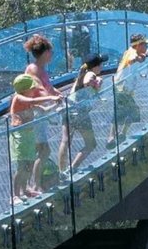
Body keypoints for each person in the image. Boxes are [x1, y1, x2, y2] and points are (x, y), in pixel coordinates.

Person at [9, 74, 63, 204]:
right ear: (24, 89)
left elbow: (44, 109)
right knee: (21, 166)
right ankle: (15, 195)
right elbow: (31, 101)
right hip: (20, 137)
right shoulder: (19, 98)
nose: (34, 90)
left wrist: (55, 104)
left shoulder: (28, 103)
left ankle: (25, 190)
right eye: (32, 88)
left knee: (29, 164)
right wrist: (51, 97)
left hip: (29, 136)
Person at [23, 34, 63, 192]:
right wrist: (52, 98)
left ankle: (29, 186)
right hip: (34, 113)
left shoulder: (41, 69)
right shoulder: (33, 69)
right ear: (45, 53)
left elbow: (48, 87)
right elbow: (39, 89)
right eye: (50, 52)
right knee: (43, 151)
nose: (52, 55)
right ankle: (35, 185)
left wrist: (58, 94)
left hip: (41, 112)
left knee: (38, 151)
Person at [58, 53, 107, 178]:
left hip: (69, 109)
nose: (102, 66)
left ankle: (61, 171)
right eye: (101, 64)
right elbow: (87, 81)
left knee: (65, 141)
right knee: (91, 144)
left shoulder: (82, 74)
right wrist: (95, 82)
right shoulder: (91, 74)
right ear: (95, 66)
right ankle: (73, 168)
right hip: (80, 113)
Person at [107, 33, 148, 148]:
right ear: (138, 45)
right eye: (145, 44)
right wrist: (143, 56)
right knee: (130, 111)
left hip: (124, 88)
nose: (147, 46)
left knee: (126, 111)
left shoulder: (131, 51)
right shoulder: (132, 52)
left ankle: (118, 135)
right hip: (122, 88)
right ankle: (114, 136)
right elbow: (133, 59)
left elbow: (133, 67)